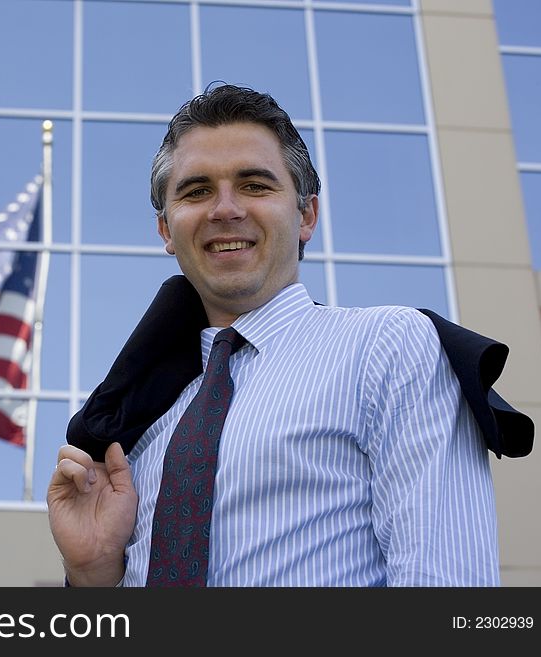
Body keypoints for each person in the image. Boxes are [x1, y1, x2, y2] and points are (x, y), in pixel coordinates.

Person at [47, 83, 503, 587]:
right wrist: (93, 574)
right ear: (166, 231)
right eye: (196, 191)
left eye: (255, 185)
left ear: (306, 215)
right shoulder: (137, 422)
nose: (224, 209)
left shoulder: (388, 346)